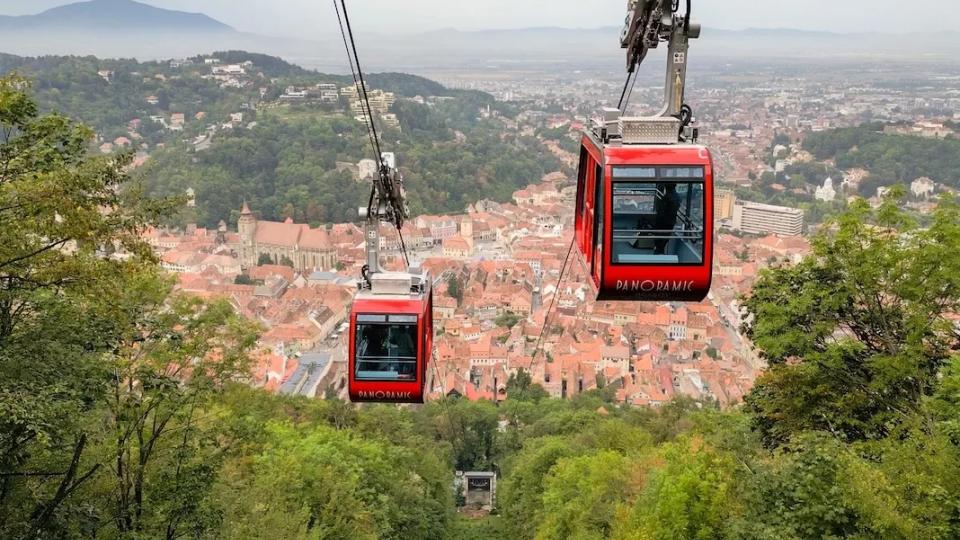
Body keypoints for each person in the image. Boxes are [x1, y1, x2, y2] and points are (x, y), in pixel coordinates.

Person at [653, 183, 681, 255]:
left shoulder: (666, 198)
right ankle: (661, 252)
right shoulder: (677, 197)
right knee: (665, 238)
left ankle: (658, 252)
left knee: (660, 239)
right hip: (671, 221)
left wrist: (657, 222)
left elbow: (661, 213)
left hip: (663, 222)